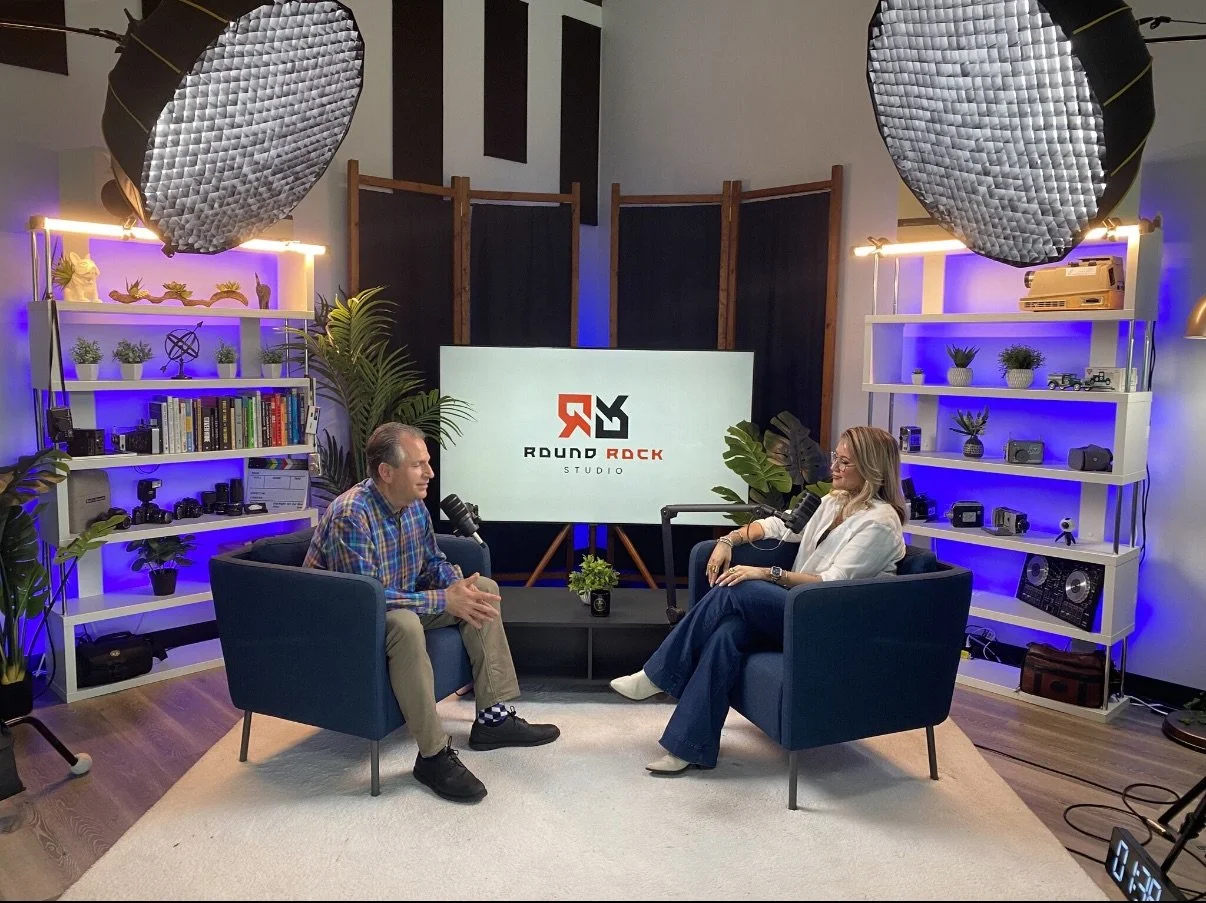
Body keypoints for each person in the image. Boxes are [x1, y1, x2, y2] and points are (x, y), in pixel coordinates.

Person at [610, 425, 907, 774]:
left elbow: (831, 584)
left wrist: (767, 573)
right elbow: (780, 527)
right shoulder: (834, 501)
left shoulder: (880, 523)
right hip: (798, 610)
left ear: (872, 469)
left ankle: (660, 674)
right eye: (835, 459)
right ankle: (688, 746)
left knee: (741, 586)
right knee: (726, 634)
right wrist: (728, 541)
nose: (834, 469)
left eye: (845, 463)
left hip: (829, 623)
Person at [304, 422, 559, 803]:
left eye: (428, 463)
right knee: (406, 625)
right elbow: (365, 597)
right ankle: (433, 755)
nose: (430, 473)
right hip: (346, 622)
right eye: (419, 465)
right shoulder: (351, 516)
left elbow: (431, 563)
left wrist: (457, 586)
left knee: (483, 592)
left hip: (396, 602)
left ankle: (493, 719)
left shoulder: (414, 506)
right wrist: (444, 600)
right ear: (386, 472)